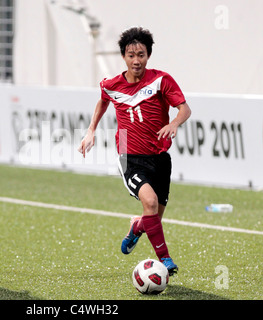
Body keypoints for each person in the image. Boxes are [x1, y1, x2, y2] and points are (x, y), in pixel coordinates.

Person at [78, 27, 191, 275]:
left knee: (154, 218)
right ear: (123, 57)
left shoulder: (161, 80)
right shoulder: (111, 84)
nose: (136, 60)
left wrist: (173, 123)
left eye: (141, 54)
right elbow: (103, 101)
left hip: (160, 158)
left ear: (148, 56)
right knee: (149, 202)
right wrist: (91, 130)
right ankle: (166, 260)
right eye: (131, 55)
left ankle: (136, 227)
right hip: (130, 158)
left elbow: (184, 109)